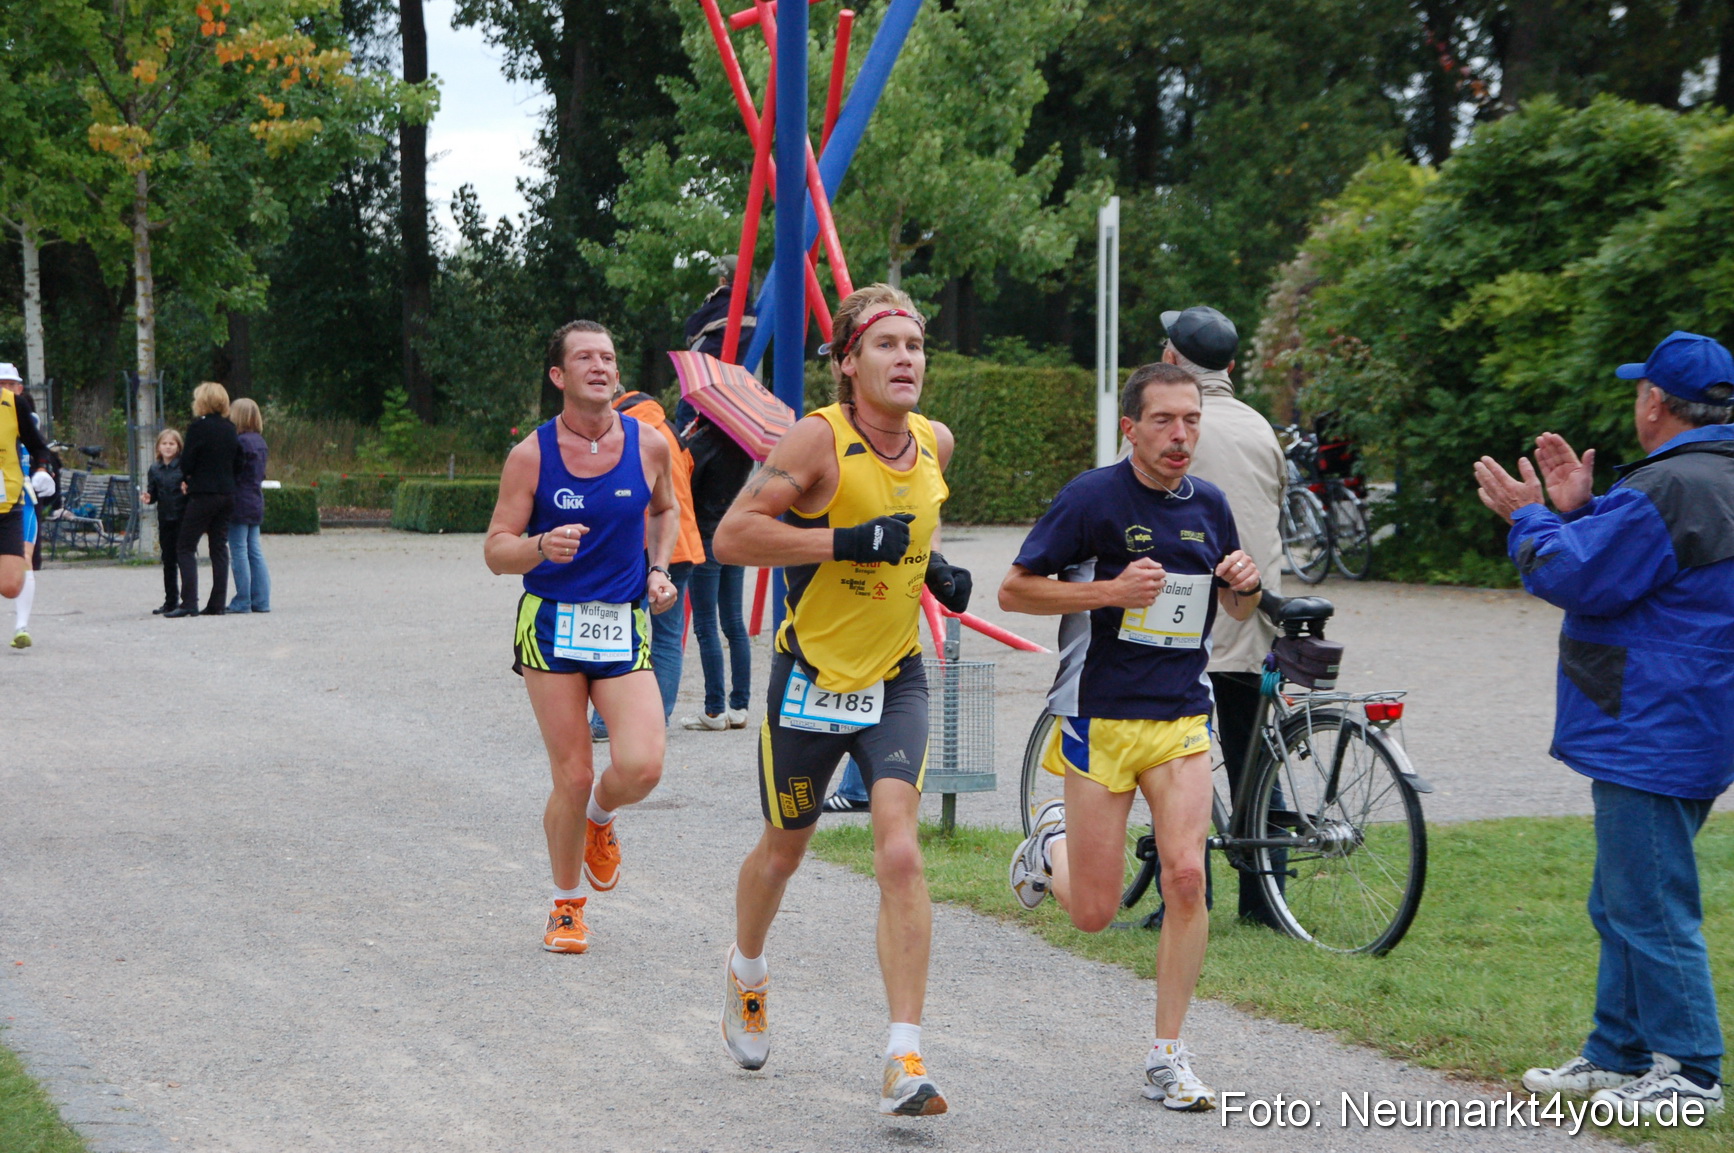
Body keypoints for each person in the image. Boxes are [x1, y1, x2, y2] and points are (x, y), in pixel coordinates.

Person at [713, 283, 971, 1116]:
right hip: (812, 679)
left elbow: (910, 524)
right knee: (784, 851)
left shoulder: (936, 443)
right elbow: (731, 535)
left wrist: (932, 568)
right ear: (848, 362)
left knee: (899, 850)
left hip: (896, 675)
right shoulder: (818, 440)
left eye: (916, 345)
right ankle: (747, 968)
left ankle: (904, 1055)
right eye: (887, 345)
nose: (906, 359)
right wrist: (842, 541)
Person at [1475, 330, 1733, 1116]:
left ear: (1654, 401)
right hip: (1689, 715)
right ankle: (1616, 1052)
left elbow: (1577, 573)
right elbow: (1639, 572)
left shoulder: (1674, 486)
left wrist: (1531, 519)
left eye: (1638, 391)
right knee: (1624, 895)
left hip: (1651, 723)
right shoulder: (1708, 477)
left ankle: (1691, 1072)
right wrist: (1583, 512)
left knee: (1649, 901)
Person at [1000, 362, 1263, 1113]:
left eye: (1190, 421)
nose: (1180, 435)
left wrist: (1241, 583)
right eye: (1163, 421)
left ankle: (1168, 1054)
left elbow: (1239, 613)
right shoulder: (1091, 498)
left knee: (1187, 876)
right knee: (1094, 910)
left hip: (1180, 714)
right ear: (1131, 428)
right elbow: (1015, 588)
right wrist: (1109, 592)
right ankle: (1048, 843)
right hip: (1099, 714)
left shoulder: (1209, 504)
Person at [484, 320, 680, 956]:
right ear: (558, 377)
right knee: (571, 774)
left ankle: (602, 816)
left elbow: (666, 509)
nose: (601, 366)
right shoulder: (531, 455)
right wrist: (539, 545)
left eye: (609, 357)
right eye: (586, 358)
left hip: (622, 624)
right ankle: (567, 905)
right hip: (552, 626)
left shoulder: (649, 444)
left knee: (644, 765)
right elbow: (495, 551)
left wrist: (658, 569)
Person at [1154, 305, 1285, 928]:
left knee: (1172, 760)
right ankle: (1268, 901)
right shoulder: (1260, 427)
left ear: (1172, 360)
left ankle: (1185, 895)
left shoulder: (1174, 428)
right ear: (1230, 366)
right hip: (1258, 612)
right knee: (1252, 754)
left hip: (1194, 620)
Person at [588, 386, 703, 741]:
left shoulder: (621, 434)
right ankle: (658, 718)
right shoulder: (667, 430)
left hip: (639, 544)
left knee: (620, 630)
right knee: (668, 637)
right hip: (680, 544)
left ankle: (607, 722)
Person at [681, 413, 754, 731]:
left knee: (706, 625)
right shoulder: (744, 445)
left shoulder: (704, 442)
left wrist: (687, 439)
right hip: (733, 537)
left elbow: (684, 483)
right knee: (735, 624)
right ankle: (739, 706)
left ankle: (714, 710)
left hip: (706, 538)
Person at [169, 382, 241, 618]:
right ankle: (217, 603)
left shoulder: (198, 428)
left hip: (203, 493)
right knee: (219, 547)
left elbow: (187, 461)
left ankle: (189, 601)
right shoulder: (230, 428)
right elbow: (239, 461)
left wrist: (190, 477)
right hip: (227, 493)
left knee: (186, 546)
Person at [0, 363, 55, 643]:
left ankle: (22, 625)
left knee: (11, 585)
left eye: (8, 384)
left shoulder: (15, 407)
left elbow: (40, 447)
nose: (4, 389)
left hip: (9, 503)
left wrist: (43, 469)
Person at [675, 255, 758, 428]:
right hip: (728, 375)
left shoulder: (721, 301)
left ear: (722, 280)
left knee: (685, 423)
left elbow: (691, 329)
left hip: (704, 374)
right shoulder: (749, 307)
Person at [226, 398, 272, 614]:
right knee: (255, 550)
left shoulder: (240, 442)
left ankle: (242, 599)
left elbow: (234, 472)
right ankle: (261, 600)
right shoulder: (260, 441)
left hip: (239, 500)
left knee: (239, 551)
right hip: (255, 497)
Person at [143, 429, 187, 614]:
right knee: (168, 560)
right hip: (165, 518)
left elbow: (190, 490)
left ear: (178, 447)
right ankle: (170, 600)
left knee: (184, 559)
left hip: (182, 517)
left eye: (172, 444)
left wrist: (187, 490)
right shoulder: (155, 469)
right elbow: (152, 493)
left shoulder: (183, 467)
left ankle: (188, 599)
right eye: (165, 444)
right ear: (158, 447)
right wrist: (148, 497)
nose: (168, 447)